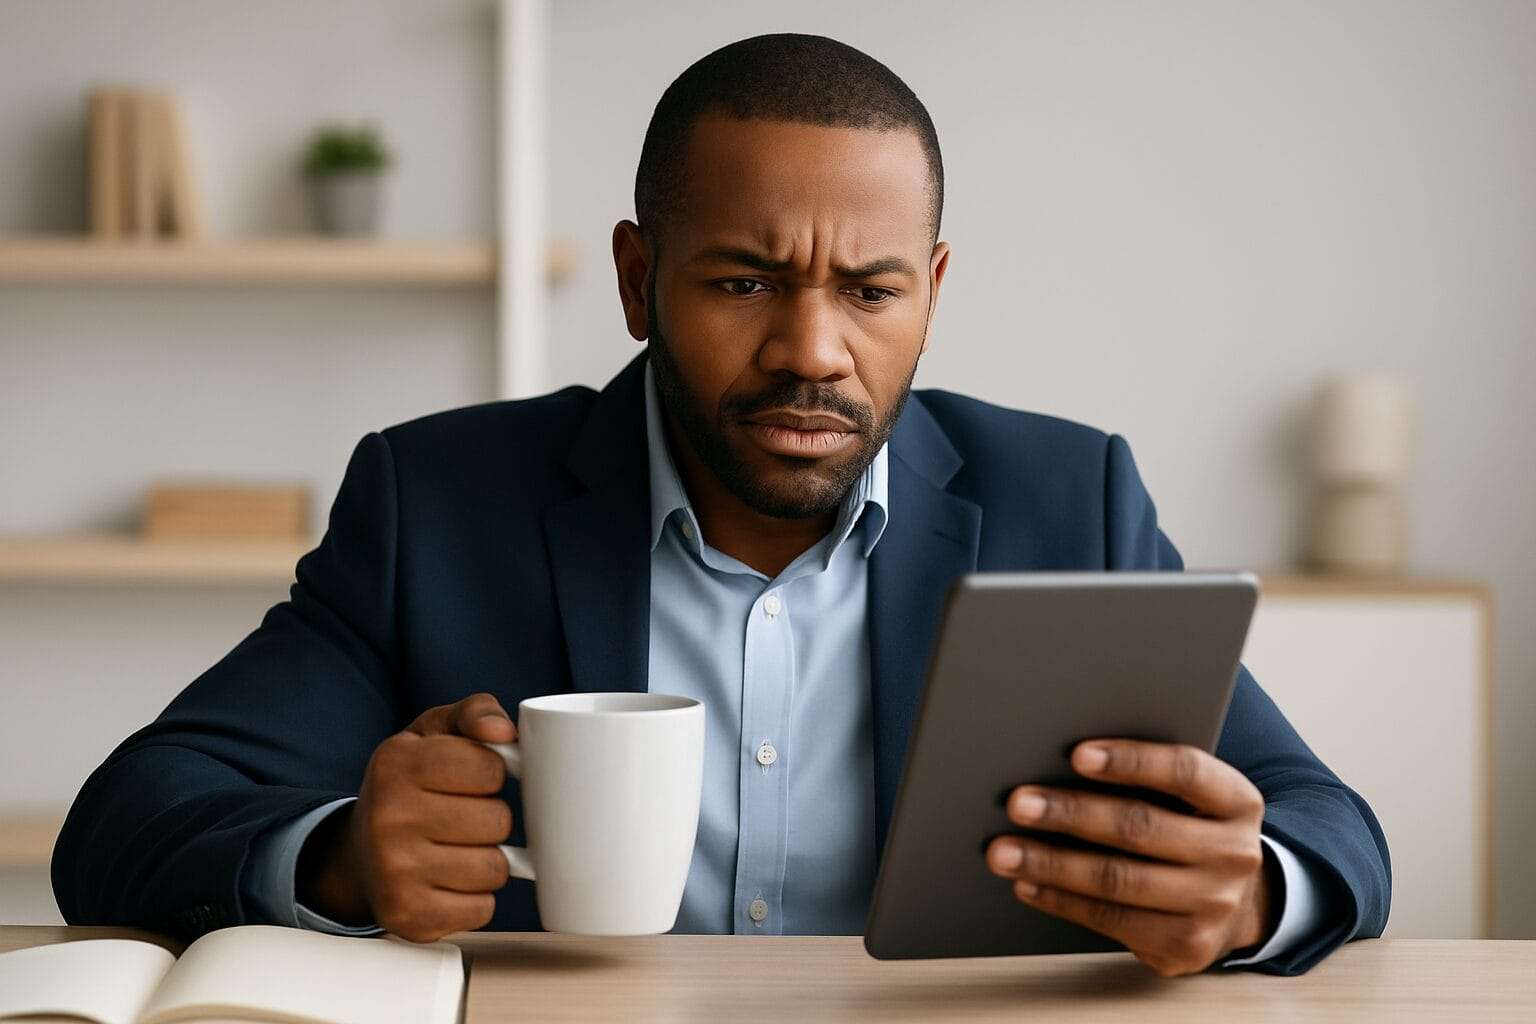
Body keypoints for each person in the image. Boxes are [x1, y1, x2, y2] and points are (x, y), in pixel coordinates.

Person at [52, 33, 1388, 977]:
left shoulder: (1071, 497)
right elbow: (130, 819)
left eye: (870, 290)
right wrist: (339, 859)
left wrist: (1255, 890)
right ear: (639, 280)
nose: (814, 348)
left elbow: (1332, 830)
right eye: (744, 282)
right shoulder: (438, 503)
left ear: (931, 288)